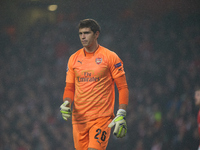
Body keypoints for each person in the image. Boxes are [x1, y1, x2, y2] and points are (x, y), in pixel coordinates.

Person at [60, 19, 129, 150]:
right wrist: (66, 103)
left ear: (96, 34)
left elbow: (123, 87)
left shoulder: (110, 57)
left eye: (86, 33)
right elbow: (69, 88)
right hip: (79, 119)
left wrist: (121, 113)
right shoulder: (73, 59)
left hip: (101, 118)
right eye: (80, 33)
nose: (83, 37)